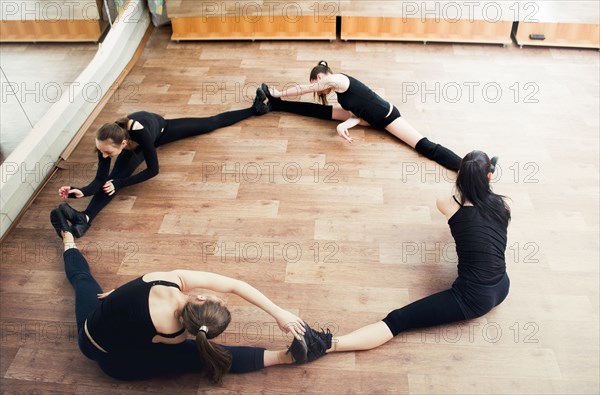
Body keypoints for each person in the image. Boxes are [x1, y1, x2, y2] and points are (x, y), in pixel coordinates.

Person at [48, 210, 312, 382]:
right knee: (198, 353)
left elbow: (234, 284)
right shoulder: (174, 335)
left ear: (200, 299)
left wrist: (121, 296)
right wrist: (279, 312)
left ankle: (68, 239)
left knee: (82, 280)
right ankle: (283, 357)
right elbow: (235, 285)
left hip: (96, 335)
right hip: (115, 362)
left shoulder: (164, 280)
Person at [295, 151, 510, 362]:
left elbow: (466, 216)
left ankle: (323, 345)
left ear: (460, 175)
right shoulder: (503, 205)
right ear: (489, 177)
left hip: (472, 299)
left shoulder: (447, 203)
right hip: (502, 286)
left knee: (398, 320)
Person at [57, 89, 271, 238]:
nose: (103, 155)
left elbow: (153, 170)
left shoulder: (138, 136)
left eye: (108, 152)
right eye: (101, 150)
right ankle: (85, 218)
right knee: (108, 181)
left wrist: (121, 182)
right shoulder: (107, 141)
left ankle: (255, 109)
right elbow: (99, 180)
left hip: (160, 131)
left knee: (209, 123)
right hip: (138, 138)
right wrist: (80, 191)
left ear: (123, 143)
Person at [260, 60, 463, 172]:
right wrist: (345, 126)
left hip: (388, 117)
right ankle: (278, 105)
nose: (317, 87)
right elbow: (358, 115)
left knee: (424, 146)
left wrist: (278, 90)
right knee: (322, 112)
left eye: (316, 82)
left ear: (322, 76)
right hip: (370, 120)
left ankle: (466, 167)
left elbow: (305, 89)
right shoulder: (340, 93)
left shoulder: (337, 79)